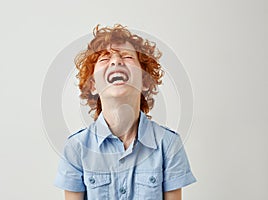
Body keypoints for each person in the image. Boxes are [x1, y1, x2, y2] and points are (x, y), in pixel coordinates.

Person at [54, 24, 196, 200]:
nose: (116, 61)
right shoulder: (76, 148)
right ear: (93, 85)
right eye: (105, 59)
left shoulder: (169, 145)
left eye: (127, 56)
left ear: (145, 81)